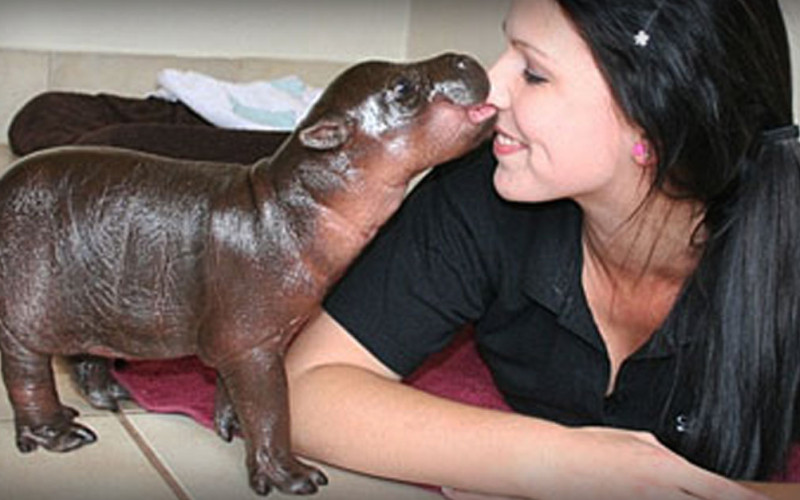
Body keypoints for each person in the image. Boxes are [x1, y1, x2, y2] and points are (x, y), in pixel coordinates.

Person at [282, 0, 800, 499]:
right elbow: (309, 389)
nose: (488, 92)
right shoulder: (480, 192)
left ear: (655, 124)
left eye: (534, 73)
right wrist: (560, 464)